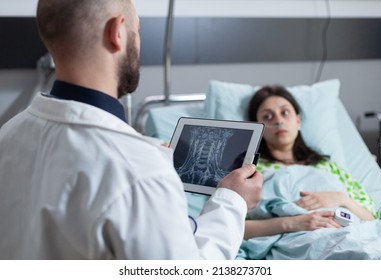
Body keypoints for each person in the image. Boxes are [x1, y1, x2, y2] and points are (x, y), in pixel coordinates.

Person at [0, 0, 263, 260]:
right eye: (137, 30)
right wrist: (233, 201)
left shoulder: (9, 133)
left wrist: (143, 156)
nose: (138, 42)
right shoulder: (138, 169)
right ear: (117, 32)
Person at [244, 85, 376, 240]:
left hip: (349, 236)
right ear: (258, 127)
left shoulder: (327, 166)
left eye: (285, 113)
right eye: (268, 117)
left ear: (298, 121)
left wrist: (341, 198)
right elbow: (233, 225)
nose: (279, 121)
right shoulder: (250, 170)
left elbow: (372, 220)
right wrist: (292, 223)